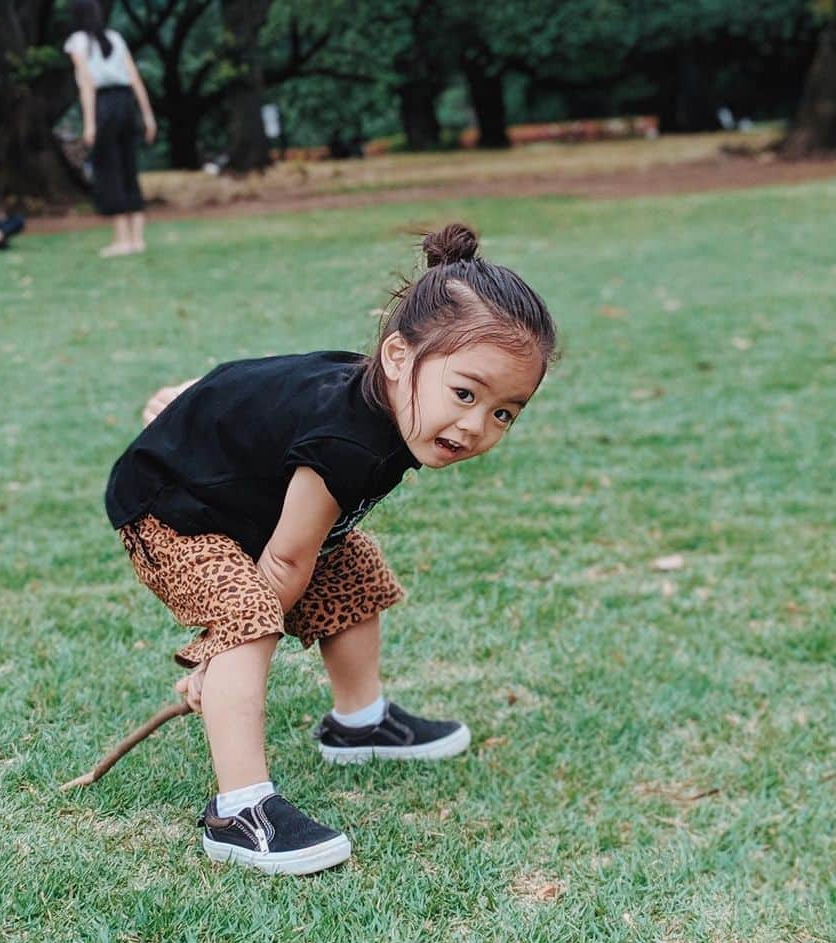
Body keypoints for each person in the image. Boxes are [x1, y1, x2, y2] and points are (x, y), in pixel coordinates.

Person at [105, 222, 556, 876]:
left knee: (353, 569)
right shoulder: (348, 441)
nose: (475, 426)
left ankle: (359, 721)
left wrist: (189, 405)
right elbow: (286, 562)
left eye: (503, 413)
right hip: (171, 508)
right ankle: (241, 809)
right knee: (251, 611)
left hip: (235, 495)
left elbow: (266, 394)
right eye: (465, 393)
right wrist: (218, 653)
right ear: (400, 358)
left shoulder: (387, 400)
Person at [64, 0, 156, 258]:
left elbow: (87, 84)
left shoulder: (77, 41)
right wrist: (148, 116)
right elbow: (134, 77)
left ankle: (122, 239)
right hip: (126, 103)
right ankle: (137, 239)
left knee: (108, 170)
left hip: (104, 105)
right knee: (128, 168)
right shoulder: (115, 37)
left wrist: (90, 124)